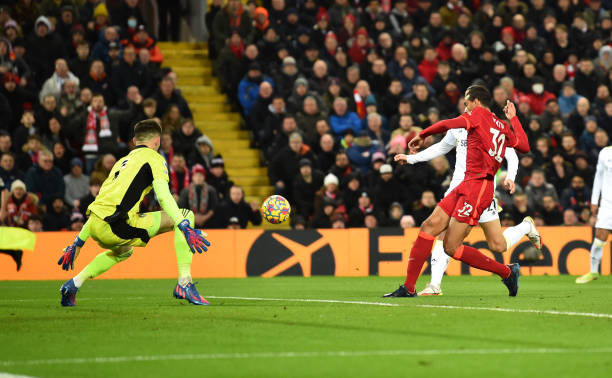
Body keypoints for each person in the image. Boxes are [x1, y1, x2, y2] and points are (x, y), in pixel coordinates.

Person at [384, 85, 529, 298]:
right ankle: (409, 287)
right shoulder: (503, 126)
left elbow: (446, 123)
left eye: (467, 102)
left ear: (476, 101)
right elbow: (524, 145)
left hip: (479, 188)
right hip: (465, 184)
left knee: (451, 246)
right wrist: (514, 119)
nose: (465, 107)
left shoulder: (478, 115)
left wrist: (422, 134)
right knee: (429, 226)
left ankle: (506, 272)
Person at [57, 120, 211, 307]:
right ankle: (184, 283)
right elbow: (163, 196)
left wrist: (77, 243)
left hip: (95, 224)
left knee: (123, 252)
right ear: (157, 141)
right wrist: (183, 225)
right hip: (118, 226)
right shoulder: (155, 159)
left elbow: (101, 204)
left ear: (134, 140)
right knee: (186, 215)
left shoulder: (121, 163)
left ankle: (73, 284)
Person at [576, 145, 612, 283]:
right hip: (608, 203)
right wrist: (594, 201)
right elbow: (599, 177)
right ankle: (593, 272)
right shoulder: (606, 152)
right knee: (600, 236)